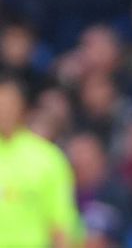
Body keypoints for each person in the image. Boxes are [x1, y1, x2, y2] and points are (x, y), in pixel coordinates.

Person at [0, 75, 82, 247]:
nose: (4, 109)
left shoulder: (48, 158)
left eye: (9, 103)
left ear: (24, 108)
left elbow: (61, 224)